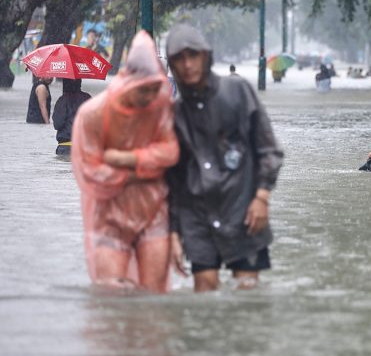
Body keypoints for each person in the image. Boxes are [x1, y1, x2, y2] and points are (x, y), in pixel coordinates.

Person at [165, 23, 284, 292]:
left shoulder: (237, 91)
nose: (187, 65)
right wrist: (173, 232)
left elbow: (268, 149)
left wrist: (262, 197)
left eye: (193, 55)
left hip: (243, 207)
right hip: (197, 215)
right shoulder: (175, 113)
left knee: (247, 290)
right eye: (179, 59)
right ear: (172, 65)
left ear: (206, 56)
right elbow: (175, 180)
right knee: (204, 289)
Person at [71, 31, 179, 293]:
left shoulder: (160, 109)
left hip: (153, 213)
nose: (149, 97)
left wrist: (126, 159)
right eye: (144, 90)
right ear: (128, 81)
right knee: (110, 292)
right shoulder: (93, 114)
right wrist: (143, 172)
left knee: (155, 295)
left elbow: (172, 153)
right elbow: (89, 171)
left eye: (155, 89)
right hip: (108, 217)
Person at [52, 79, 92, 155]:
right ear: (80, 83)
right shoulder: (88, 98)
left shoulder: (62, 100)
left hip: (65, 147)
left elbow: (57, 124)